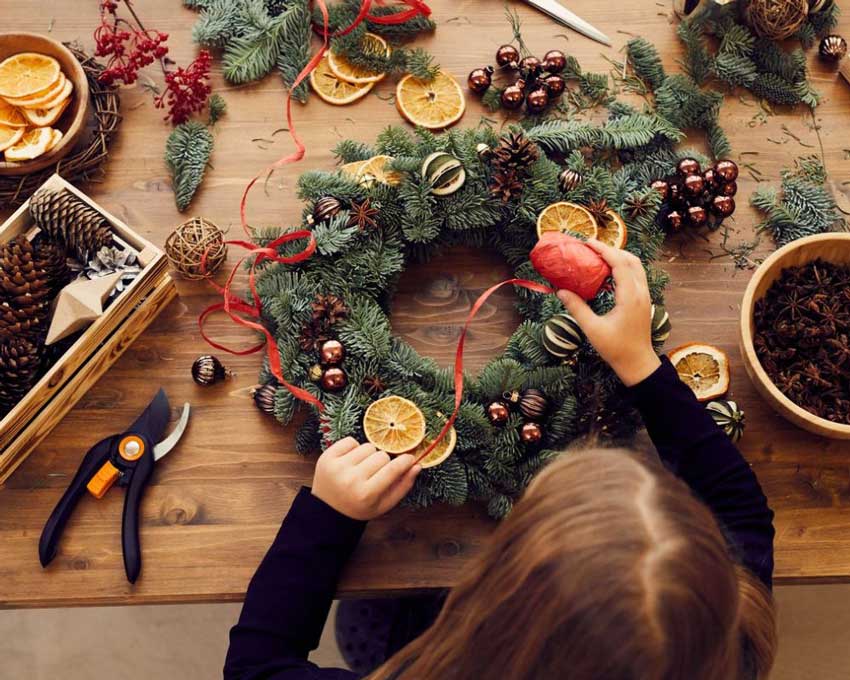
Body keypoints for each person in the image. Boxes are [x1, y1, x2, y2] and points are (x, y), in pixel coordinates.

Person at [224, 240, 777, 680]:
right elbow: (742, 511)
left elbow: (256, 666)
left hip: (423, 648)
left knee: (372, 622)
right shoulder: (731, 633)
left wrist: (329, 517)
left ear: (501, 600)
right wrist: (640, 365)